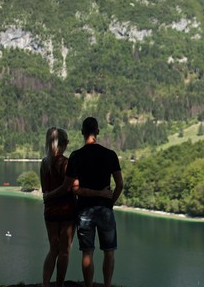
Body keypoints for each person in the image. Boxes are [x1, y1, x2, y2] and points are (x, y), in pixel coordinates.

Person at [59, 117, 124, 287]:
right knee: (109, 252)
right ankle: (107, 285)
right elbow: (120, 184)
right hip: (105, 210)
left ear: (82, 132)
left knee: (87, 253)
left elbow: (73, 188)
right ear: (98, 132)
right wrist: (110, 202)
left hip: (84, 210)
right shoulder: (110, 155)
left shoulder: (76, 156)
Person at [39, 127, 75, 287]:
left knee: (53, 249)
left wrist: (48, 197)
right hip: (67, 210)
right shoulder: (66, 163)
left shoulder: (44, 163)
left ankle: (46, 284)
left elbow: (45, 189)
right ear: (64, 143)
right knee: (64, 251)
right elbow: (68, 187)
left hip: (50, 211)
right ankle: (59, 284)